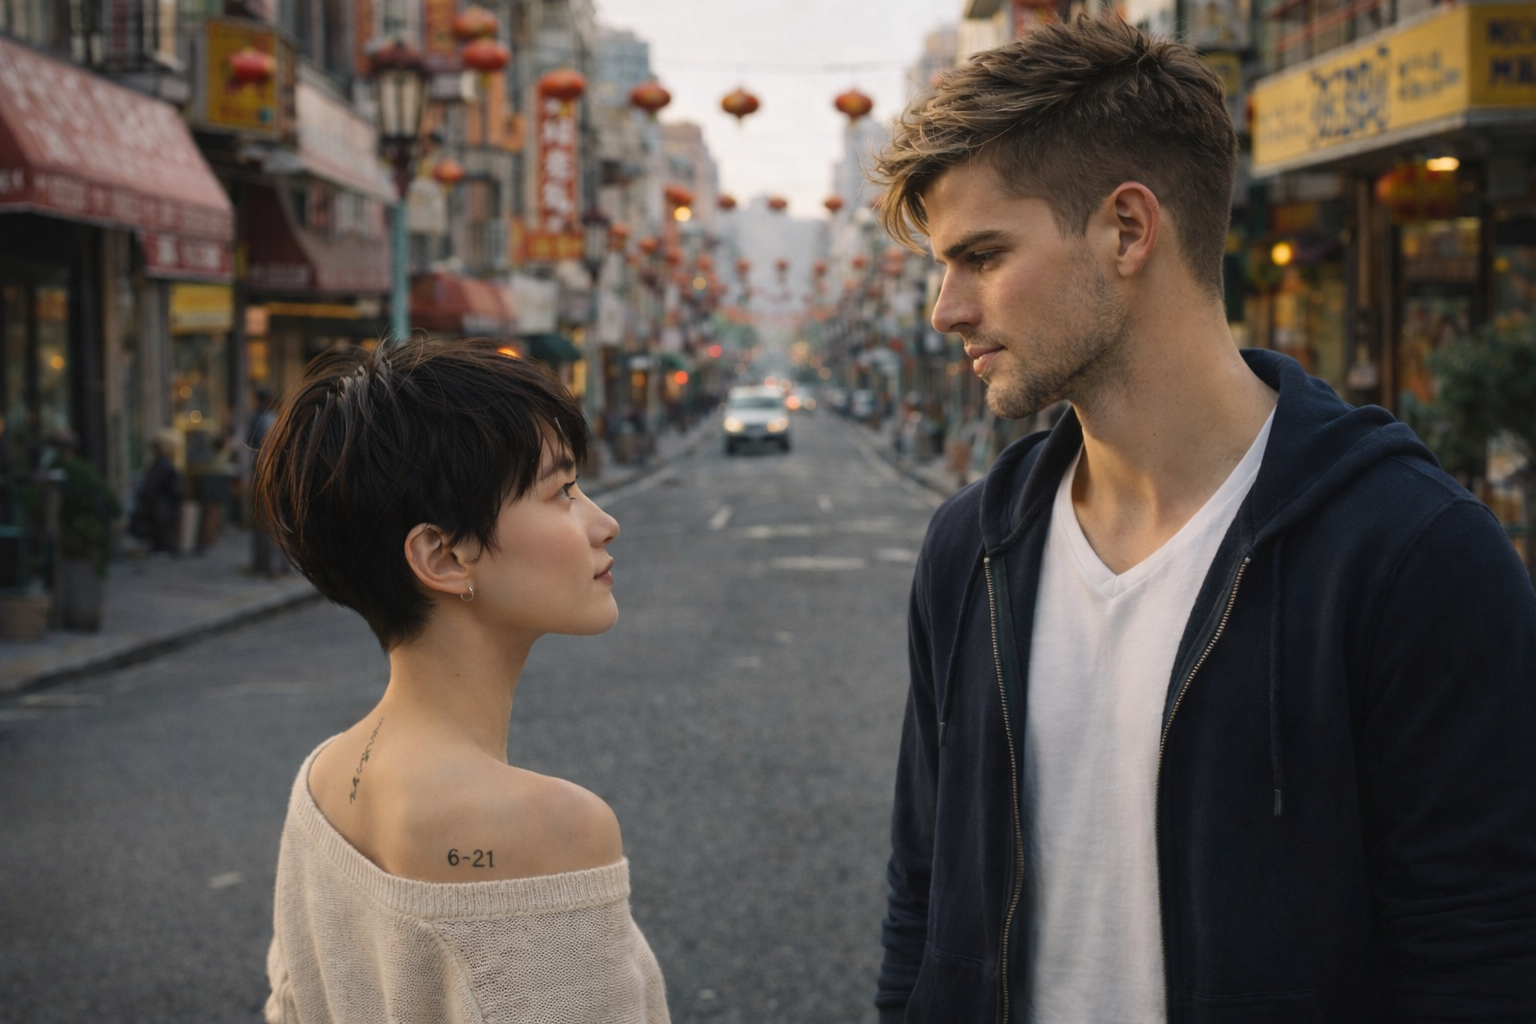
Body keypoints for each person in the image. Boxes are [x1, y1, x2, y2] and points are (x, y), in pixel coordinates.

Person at [871, 15, 1536, 1023]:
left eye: (981, 255)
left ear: (1128, 230)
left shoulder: (1412, 553)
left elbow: (1479, 956)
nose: (945, 308)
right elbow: (922, 902)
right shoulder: (973, 546)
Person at [253, 340, 668, 1023]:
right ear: (443, 557)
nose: (604, 522)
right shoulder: (557, 828)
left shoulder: (320, 784)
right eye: (562, 491)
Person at [128, 429, 183, 554]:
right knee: (162, 536)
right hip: (162, 506)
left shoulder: (161, 464)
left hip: (161, 506)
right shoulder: (163, 465)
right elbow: (153, 487)